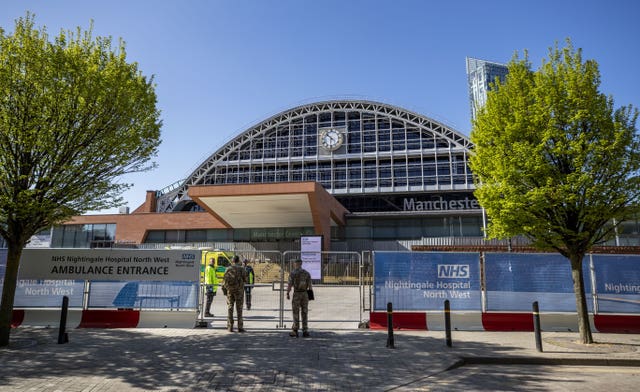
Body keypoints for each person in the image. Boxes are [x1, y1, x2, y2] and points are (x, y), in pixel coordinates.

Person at [286, 259, 312, 338]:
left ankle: (295, 330)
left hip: (297, 294)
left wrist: (287, 293)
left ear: (295, 264)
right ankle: (305, 330)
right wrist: (310, 296)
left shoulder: (293, 273)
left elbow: (290, 285)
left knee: (295, 312)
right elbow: (310, 286)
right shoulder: (307, 273)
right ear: (301, 264)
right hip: (305, 294)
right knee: (304, 312)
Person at [223, 255, 248, 332]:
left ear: (232, 261)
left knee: (230, 308)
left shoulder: (228, 269)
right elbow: (245, 279)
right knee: (239, 309)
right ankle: (240, 327)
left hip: (230, 291)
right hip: (239, 291)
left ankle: (230, 326)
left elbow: (224, 281)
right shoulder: (241, 269)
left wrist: (225, 290)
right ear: (238, 261)